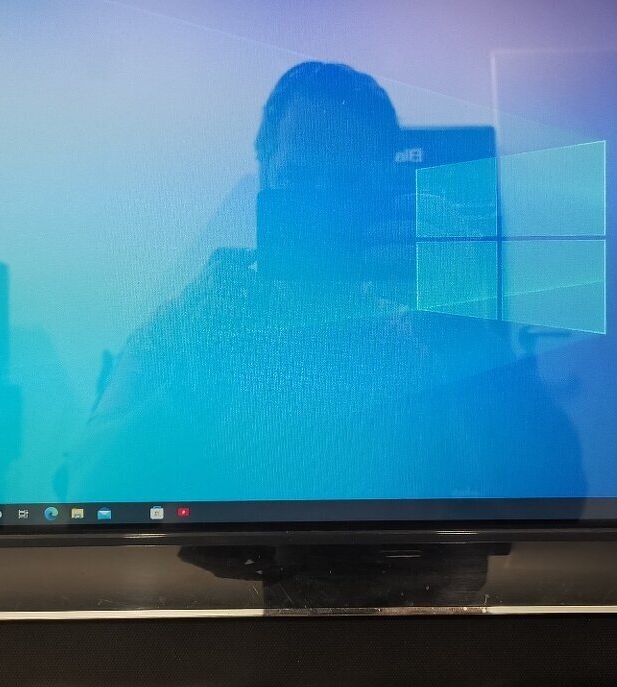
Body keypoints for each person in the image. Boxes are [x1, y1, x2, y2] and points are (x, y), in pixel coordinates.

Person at [62, 62, 585, 505]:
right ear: (265, 171)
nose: (322, 198)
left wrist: (452, 326)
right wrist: (205, 356)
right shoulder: (210, 309)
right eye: (299, 175)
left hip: (412, 584)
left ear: (387, 179)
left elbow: (553, 491)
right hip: (242, 584)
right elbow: (90, 492)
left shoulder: (429, 311)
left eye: (349, 179)